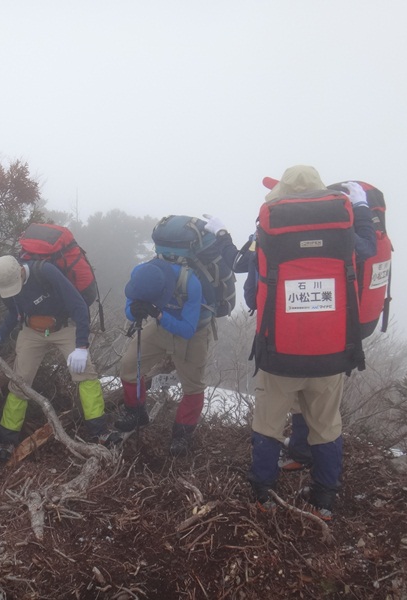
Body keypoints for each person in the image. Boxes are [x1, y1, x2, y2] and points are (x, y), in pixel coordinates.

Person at [243, 165, 377, 520]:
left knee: (268, 425)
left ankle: (264, 495)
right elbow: (368, 248)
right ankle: (324, 500)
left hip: (279, 354)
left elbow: (251, 296)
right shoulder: (343, 230)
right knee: (326, 425)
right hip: (331, 353)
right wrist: (362, 211)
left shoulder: (267, 232)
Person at [115, 216, 237, 456]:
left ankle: (182, 434)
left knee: (192, 386)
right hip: (160, 328)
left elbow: (188, 329)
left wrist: (159, 314)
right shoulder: (142, 273)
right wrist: (137, 310)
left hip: (194, 333)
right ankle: (136, 412)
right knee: (129, 367)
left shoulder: (191, 282)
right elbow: (130, 310)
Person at [0, 255, 120, 462]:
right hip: (31, 330)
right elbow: (14, 313)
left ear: (21, 270)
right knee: (20, 381)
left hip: (63, 327)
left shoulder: (45, 272)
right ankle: (7, 440)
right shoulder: (6, 283)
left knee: (85, 374)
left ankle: (100, 431)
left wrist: (81, 346)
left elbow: (79, 306)